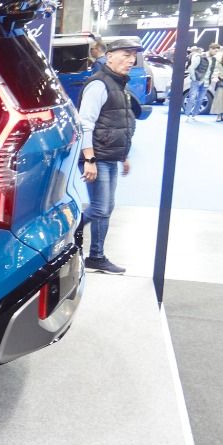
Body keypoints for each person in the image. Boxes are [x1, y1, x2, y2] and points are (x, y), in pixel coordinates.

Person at [77, 41, 140, 275]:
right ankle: (82, 244)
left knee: (106, 207)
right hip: (97, 157)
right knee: (100, 208)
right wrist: (89, 159)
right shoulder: (99, 84)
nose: (131, 60)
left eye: (133, 56)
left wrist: (123, 155)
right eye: (126, 55)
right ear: (109, 56)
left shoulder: (119, 84)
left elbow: (121, 123)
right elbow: (85, 123)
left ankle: (92, 251)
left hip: (110, 156)